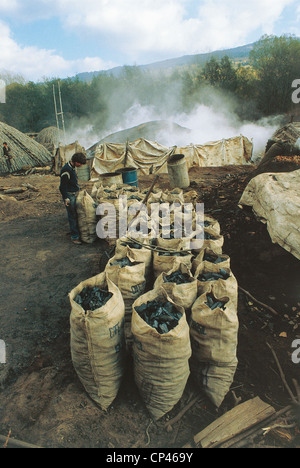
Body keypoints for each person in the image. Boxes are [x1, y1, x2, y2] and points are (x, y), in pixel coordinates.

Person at [59, 152, 87, 245]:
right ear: (75, 161)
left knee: (75, 213)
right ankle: (75, 237)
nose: (81, 165)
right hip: (69, 195)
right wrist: (66, 198)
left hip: (73, 193)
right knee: (72, 215)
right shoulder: (66, 170)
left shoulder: (71, 167)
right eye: (80, 163)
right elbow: (62, 187)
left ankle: (74, 231)